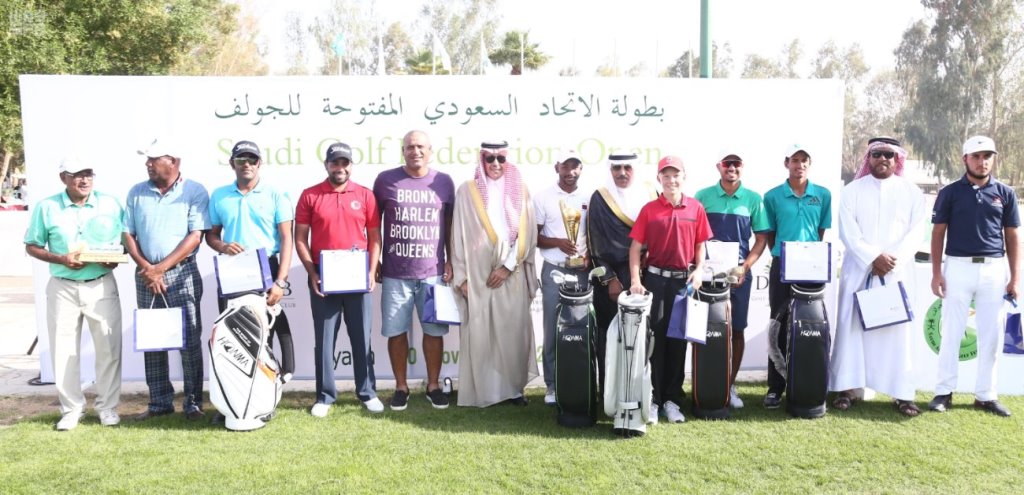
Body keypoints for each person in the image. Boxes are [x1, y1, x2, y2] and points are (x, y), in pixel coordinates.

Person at [24, 158, 125, 430]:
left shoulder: (110, 204)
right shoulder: (47, 207)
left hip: (101, 283)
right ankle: (71, 410)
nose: (84, 180)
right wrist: (61, 258)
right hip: (63, 286)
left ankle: (107, 408)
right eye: (77, 175)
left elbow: (125, 240)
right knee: (63, 350)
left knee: (109, 348)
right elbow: (32, 245)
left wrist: (115, 258)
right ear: (63, 178)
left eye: (88, 174)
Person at [829, 137, 926, 416]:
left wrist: (891, 261)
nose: (883, 159)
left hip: (897, 273)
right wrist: (873, 257)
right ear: (868, 158)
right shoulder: (852, 190)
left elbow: (917, 232)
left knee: (897, 334)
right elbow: (848, 231)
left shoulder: (911, 192)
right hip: (860, 272)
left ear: (897, 159)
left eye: (888, 154)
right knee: (852, 329)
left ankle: (901, 393)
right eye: (877, 154)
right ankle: (847, 388)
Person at [928, 135, 1019, 417]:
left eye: (987, 156)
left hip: (993, 269)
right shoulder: (950, 192)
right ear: (965, 159)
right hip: (958, 266)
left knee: (991, 335)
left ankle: (986, 395)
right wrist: (936, 273)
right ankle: (944, 392)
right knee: (951, 331)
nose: (982, 162)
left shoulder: (1005, 193)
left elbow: (1012, 236)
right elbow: (938, 233)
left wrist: (1015, 278)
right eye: (977, 156)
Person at [124, 138, 211, 421]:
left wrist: (160, 268)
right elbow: (127, 234)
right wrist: (149, 269)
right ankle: (160, 402)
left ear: (173, 161)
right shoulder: (137, 192)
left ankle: (193, 402)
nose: (148, 164)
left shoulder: (194, 191)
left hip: (181, 273)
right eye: (147, 159)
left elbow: (195, 236)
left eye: (154, 159)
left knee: (189, 339)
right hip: (146, 274)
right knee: (153, 339)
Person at [295, 141, 384, 417]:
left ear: (351, 166)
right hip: (324, 278)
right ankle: (324, 396)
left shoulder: (366, 195)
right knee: (324, 340)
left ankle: (367, 392)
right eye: (335, 162)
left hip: (357, 277)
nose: (340, 167)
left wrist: (371, 272)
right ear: (327, 165)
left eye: (345, 163)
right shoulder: (310, 195)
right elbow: (300, 238)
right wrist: (312, 273)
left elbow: (375, 238)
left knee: (362, 337)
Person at [452, 140, 539, 407]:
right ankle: (485, 392)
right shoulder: (467, 191)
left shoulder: (521, 190)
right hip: (477, 274)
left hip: (511, 273)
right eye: (489, 159)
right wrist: (461, 277)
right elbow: (457, 234)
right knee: (481, 334)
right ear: (482, 160)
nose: (496, 164)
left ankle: (513, 391)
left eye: (501, 158)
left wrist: (507, 267)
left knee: (512, 332)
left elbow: (527, 232)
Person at [372, 130, 455, 411]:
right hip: (395, 273)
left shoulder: (444, 182)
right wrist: (375, 260)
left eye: (420, 146)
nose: (415, 151)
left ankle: (433, 386)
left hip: (432, 272)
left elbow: (450, 225)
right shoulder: (385, 180)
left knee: (434, 332)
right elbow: (373, 225)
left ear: (430, 151)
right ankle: (401, 387)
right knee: (396, 332)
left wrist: (451, 259)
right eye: (410, 147)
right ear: (403, 151)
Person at [628, 155, 712, 424]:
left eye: (676, 175)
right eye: (666, 175)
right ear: (659, 179)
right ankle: (653, 399)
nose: (671, 180)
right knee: (655, 342)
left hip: (682, 284)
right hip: (655, 281)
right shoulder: (649, 209)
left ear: (683, 177)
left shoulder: (696, 208)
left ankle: (672, 400)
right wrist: (635, 280)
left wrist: (699, 270)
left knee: (678, 342)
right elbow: (635, 248)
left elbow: (700, 244)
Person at [694, 151, 769, 409]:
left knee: (736, 330)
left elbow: (761, 238)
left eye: (736, 164)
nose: (732, 168)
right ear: (719, 167)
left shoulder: (753, 199)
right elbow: (695, 235)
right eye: (728, 164)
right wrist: (699, 266)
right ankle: (703, 382)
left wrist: (745, 267)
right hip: (706, 276)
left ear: (742, 167)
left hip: (738, 276)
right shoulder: (703, 196)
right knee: (702, 329)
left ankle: (729, 384)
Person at [206, 140, 294, 361]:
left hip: (266, 267)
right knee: (233, 332)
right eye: (241, 159)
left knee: (266, 332)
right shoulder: (219, 195)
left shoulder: (276, 194)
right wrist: (223, 246)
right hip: (232, 269)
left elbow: (287, 238)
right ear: (232, 164)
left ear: (259, 163)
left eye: (252, 159)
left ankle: (270, 381)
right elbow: (211, 235)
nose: (247, 164)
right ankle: (239, 382)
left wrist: (281, 281)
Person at [761, 144, 832, 409]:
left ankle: (806, 381)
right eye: (794, 160)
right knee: (778, 324)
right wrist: (785, 255)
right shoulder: (772, 196)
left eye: (804, 160)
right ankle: (775, 387)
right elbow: (770, 234)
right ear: (786, 163)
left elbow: (821, 230)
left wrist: (806, 255)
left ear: (809, 164)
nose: (799, 165)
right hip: (782, 264)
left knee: (809, 323)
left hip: (812, 266)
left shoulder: (822, 195)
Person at [587, 152, 657, 396]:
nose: (622, 173)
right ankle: (610, 393)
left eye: (628, 167)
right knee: (610, 336)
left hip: (646, 276)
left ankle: (643, 394)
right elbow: (594, 242)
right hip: (612, 281)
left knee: (644, 336)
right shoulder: (600, 198)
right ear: (610, 170)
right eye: (617, 168)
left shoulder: (651, 193)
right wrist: (609, 280)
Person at [534, 149, 589, 405]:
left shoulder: (590, 197)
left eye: (575, 166)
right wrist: (558, 242)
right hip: (554, 269)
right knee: (552, 328)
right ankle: (552, 386)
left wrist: (589, 258)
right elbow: (534, 238)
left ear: (581, 169)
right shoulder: (543, 197)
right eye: (565, 166)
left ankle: (582, 380)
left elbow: (594, 234)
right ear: (557, 167)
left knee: (582, 327)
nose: (570, 172)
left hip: (582, 272)